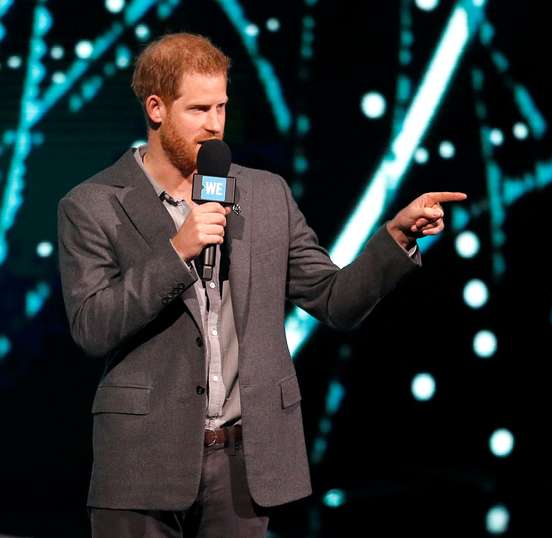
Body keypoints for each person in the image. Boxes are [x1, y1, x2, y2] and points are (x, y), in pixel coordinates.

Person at [57, 33, 466, 537]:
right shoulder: (93, 204)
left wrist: (396, 237)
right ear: (156, 108)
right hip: (142, 461)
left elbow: (334, 300)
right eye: (199, 109)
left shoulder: (266, 195)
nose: (214, 125)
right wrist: (176, 252)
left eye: (222, 107)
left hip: (244, 465)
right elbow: (93, 327)